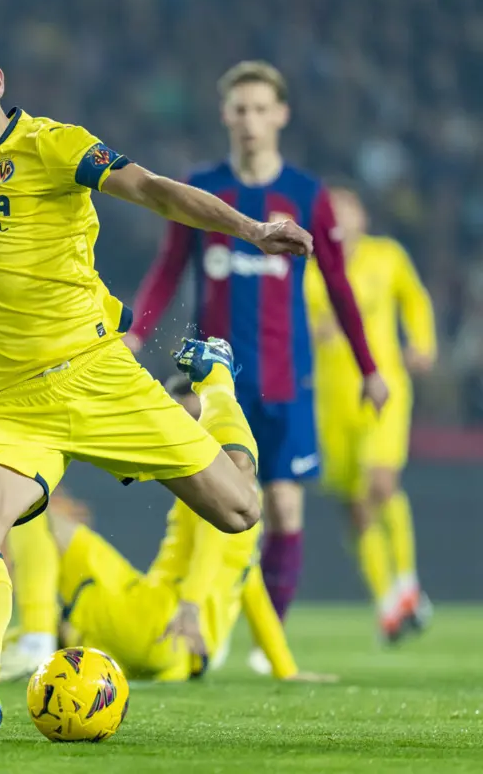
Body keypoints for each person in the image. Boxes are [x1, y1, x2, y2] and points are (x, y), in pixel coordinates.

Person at [0, 16, 313, 736]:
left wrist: (250, 230)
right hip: (11, 403)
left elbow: (154, 190)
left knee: (240, 510)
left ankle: (213, 381)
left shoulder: (55, 145)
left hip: (97, 375)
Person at [126, 61, 388, 655]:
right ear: (225, 115)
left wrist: (370, 369)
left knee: (287, 511)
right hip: (217, 376)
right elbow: (168, 267)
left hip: (285, 375)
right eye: (239, 109)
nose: (249, 120)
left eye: (259, 109)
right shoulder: (203, 187)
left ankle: (267, 643)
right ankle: (205, 623)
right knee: (218, 500)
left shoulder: (306, 195)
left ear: (281, 115)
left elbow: (340, 287)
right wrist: (137, 334)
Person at [52, 373, 334, 684]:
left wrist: (190, 606)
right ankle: (61, 635)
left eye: (196, 418)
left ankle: (46, 633)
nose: (193, 432)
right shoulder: (247, 496)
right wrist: (286, 669)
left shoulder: (205, 489)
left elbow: (210, 546)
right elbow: (248, 583)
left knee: (44, 519)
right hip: (186, 659)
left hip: (159, 623)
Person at [305, 185, 435, 643]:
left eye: (347, 210)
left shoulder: (387, 256)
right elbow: (292, 324)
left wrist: (422, 343)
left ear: (362, 215)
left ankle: (407, 585)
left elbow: (415, 299)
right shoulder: (309, 267)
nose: (339, 219)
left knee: (382, 484)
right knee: (355, 506)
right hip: (330, 399)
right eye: (330, 213)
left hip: (383, 387)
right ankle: (388, 605)